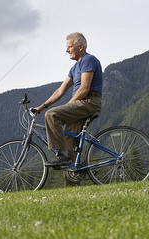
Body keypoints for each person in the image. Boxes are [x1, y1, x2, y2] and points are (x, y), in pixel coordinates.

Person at [34, 32, 103, 174]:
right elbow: (60, 91)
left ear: (80, 47)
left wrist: (67, 106)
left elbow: (84, 89)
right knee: (68, 147)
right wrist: (41, 107)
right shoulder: (74, 68)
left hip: (89, 102)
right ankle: (71, 184)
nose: (66, 50)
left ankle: (61, 154)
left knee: (52, 114)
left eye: (69, 47)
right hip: (80, 104)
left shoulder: (88, 60)